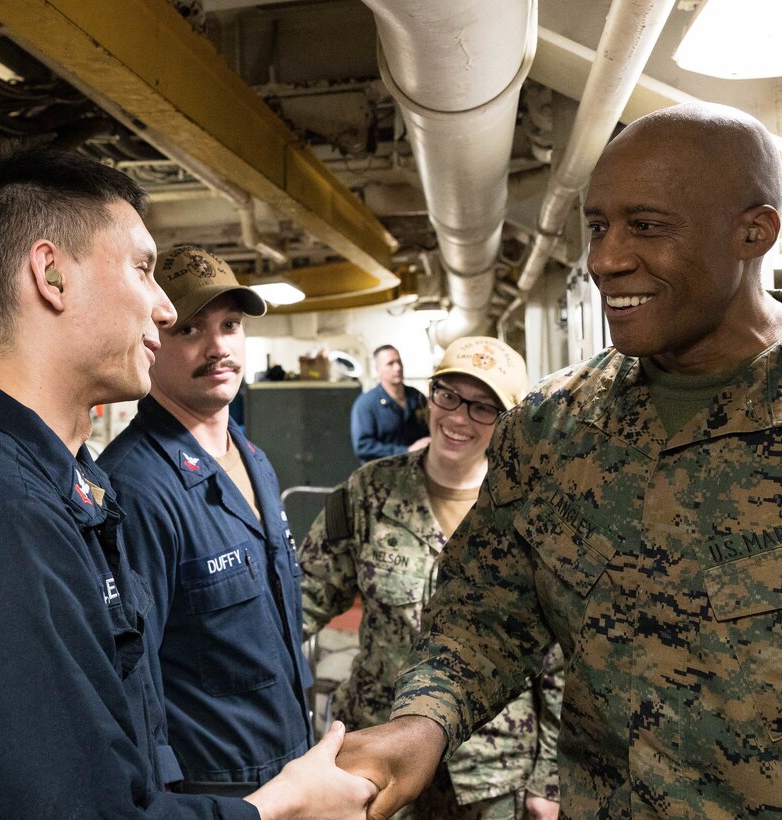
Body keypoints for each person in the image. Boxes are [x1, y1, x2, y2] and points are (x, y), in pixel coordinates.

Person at [334, 101, 782, 818]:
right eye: (598, 227)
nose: (606, 260)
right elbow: (484, 616)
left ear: (753, 233)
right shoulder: (551, 427)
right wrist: (422, 723)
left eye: (647, 226)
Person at [0, 143, 376, 819]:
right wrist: (279, 807)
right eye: (144, 270)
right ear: (51, 275)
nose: (161, 308)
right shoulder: (1, 516)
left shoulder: (70, 490)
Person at [301, 336, 564, 819]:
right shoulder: (370, 492)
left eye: (483, 407)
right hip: (382, 747)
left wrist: (548, 778)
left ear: (511, 421)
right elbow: (304, 599)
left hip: (493, 761)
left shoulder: (534, 507)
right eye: (448, 396)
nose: (459, 417)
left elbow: (558, 656)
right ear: (430, 398)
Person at [98, 246, 312, 796]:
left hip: (290, 768)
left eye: (231, 325)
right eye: (190, 329)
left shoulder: (253, 459)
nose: (219, 348)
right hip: (213, 793)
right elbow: (130, 677)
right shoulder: (136, 488)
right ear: (152, 340)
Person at [350, 344, 430, 463]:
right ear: (378, 369)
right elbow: (363, 446)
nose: (397, 367)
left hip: (416, 468)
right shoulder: (366, 404)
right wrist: (406, 450)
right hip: (382, 472)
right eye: (390, 364)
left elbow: (428, 429)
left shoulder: (416, 397)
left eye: (399, 362)